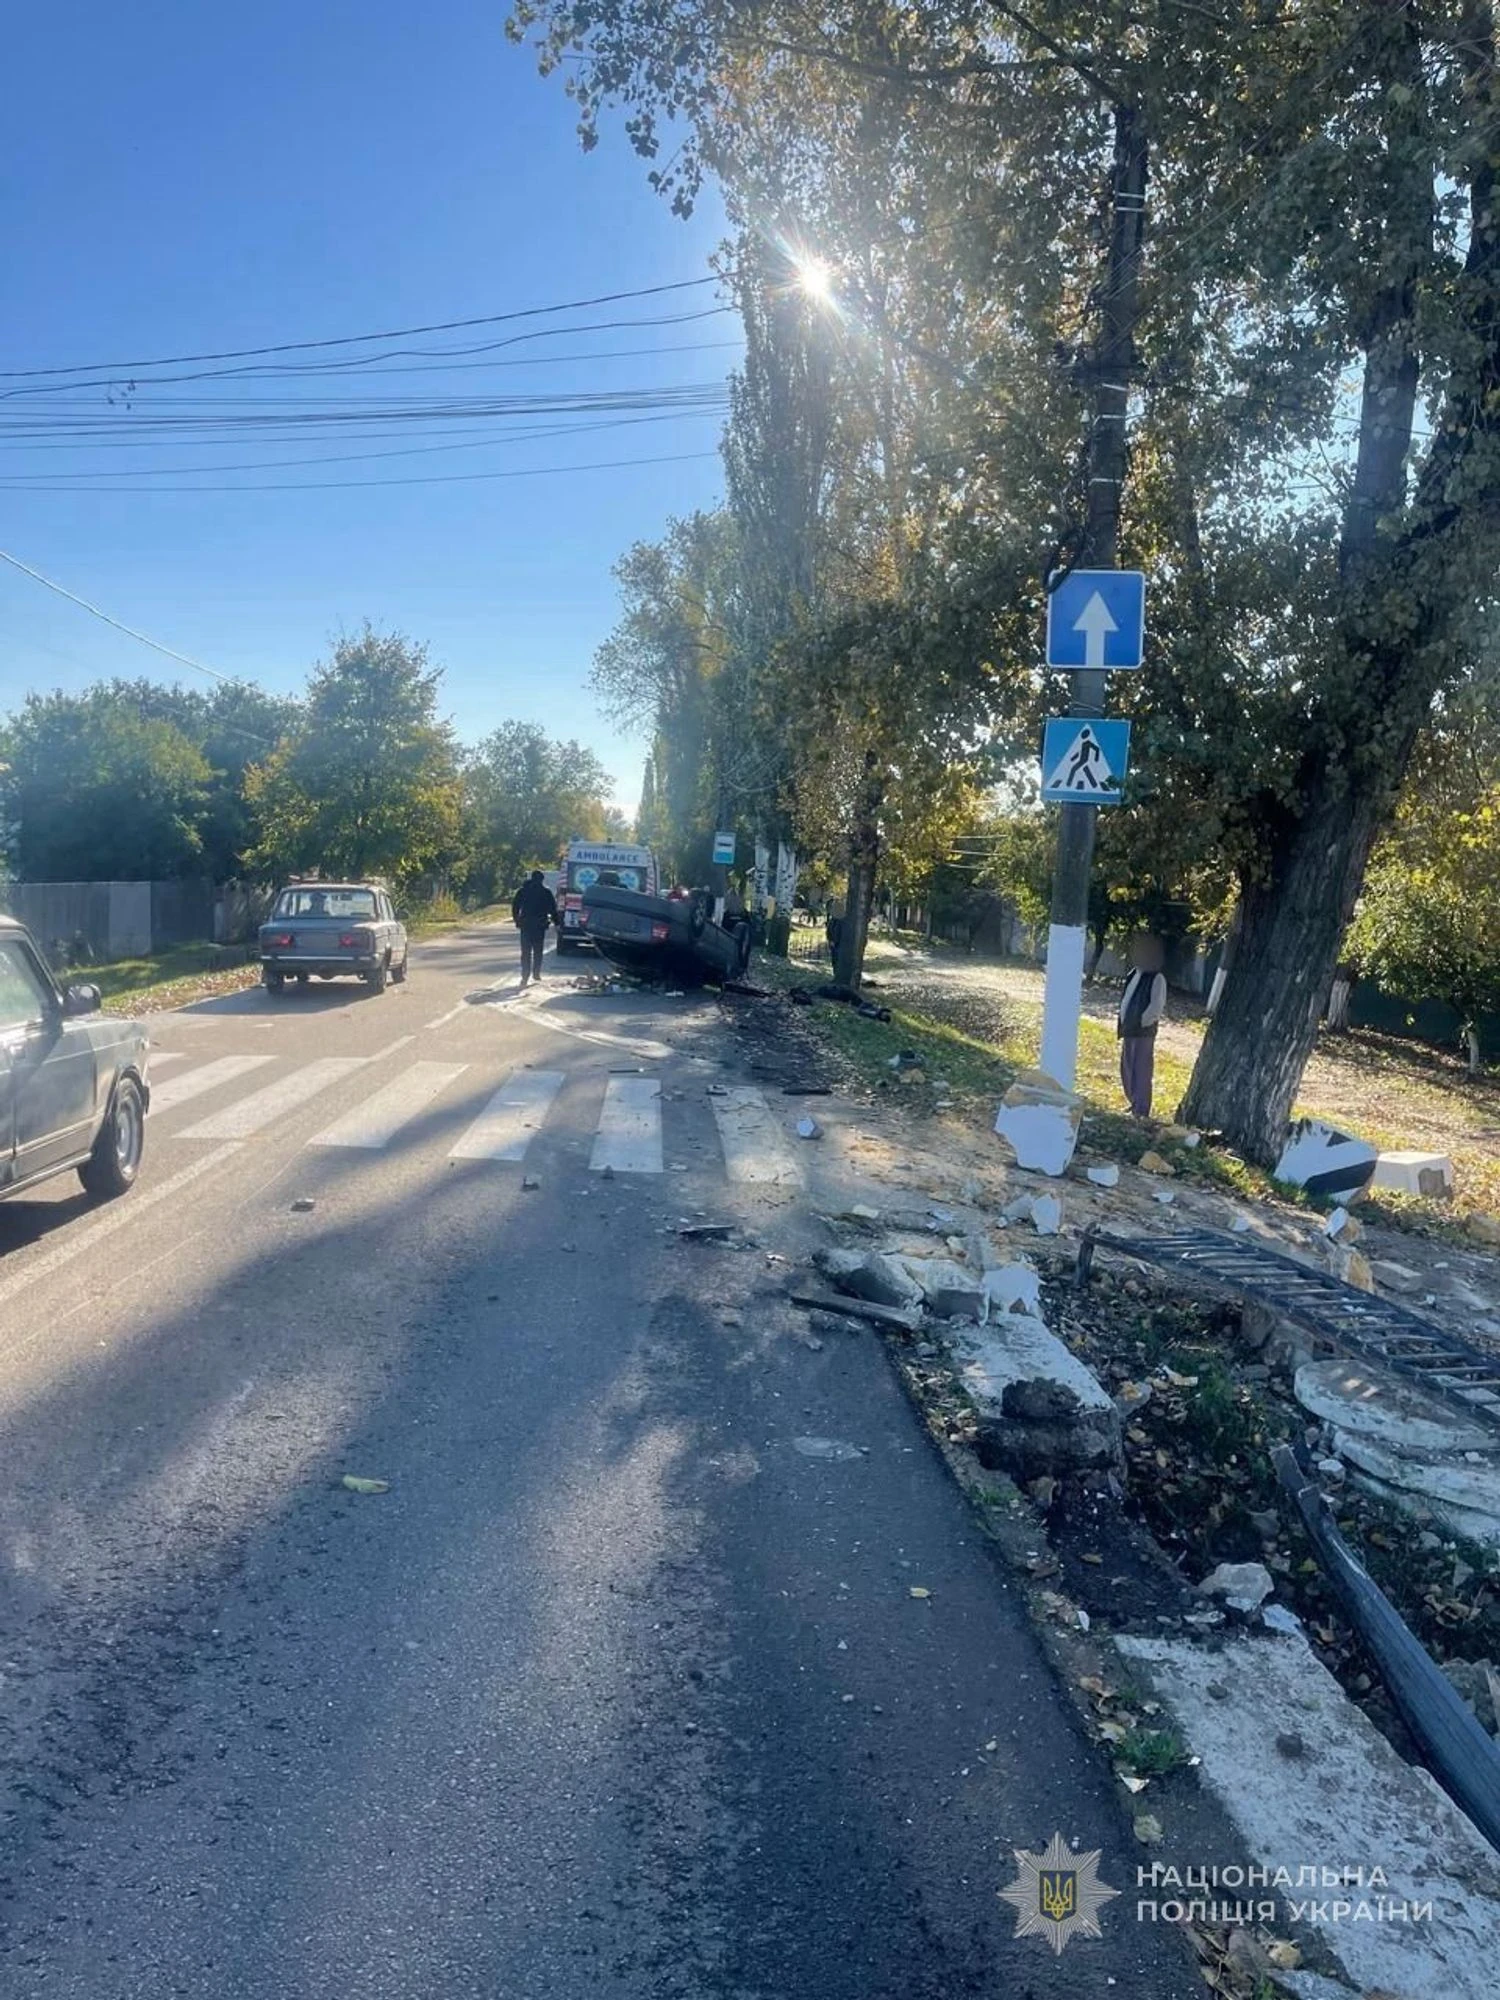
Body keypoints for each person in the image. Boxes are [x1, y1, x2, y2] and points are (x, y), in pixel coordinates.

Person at [1117, 934, 1168, 1118]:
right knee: (1127, 1068)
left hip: (1143, 1032)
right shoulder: (1133, 973)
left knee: (1141, 1071)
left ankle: (1141, 1109)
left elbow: (1156, 1006)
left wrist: (1142, 1021)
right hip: (1129, 1029)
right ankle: (1133, 1102)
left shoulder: (1157, 978)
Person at [511, 869, 558, 989]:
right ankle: (536, 973)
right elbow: (553, 909)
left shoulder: (523, 891)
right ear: (542, 880)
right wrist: (557, 923)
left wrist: (517, 920)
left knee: (525, 952)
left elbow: (515, 906)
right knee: (538, 951)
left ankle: (525, 976)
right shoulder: (546, 892)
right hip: (539, 926)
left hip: (526, 925)